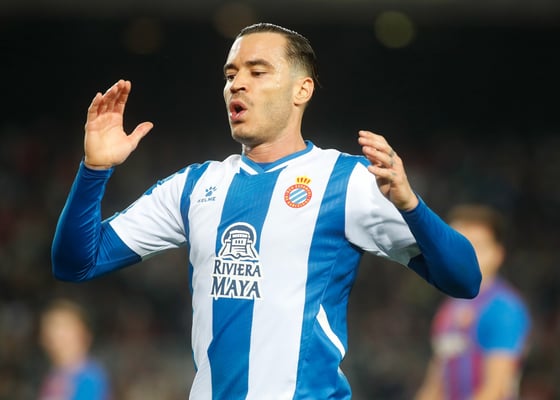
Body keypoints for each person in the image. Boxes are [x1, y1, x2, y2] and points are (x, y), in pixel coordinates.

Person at [51, 22, 482, 399]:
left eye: (257, 72)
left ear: (302, 90)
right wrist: (94, 170)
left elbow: (465, 279)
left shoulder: (346, 181)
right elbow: (76, 263)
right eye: (230, 74)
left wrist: (411, 206)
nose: (237, 84)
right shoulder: (194, 186)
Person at [415, 204, 531, 400]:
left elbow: (495, 390)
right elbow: (435, 384)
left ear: (497, 254)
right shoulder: (448, 309)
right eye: (457, 245)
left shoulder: (504, 309)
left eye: (476, 245)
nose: (465, 254)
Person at [38, 299, 111, 400]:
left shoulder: (90, 378)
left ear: (84, 334)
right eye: (50, 327)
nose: (56, 335)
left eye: (65, 328)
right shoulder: (55, 376)